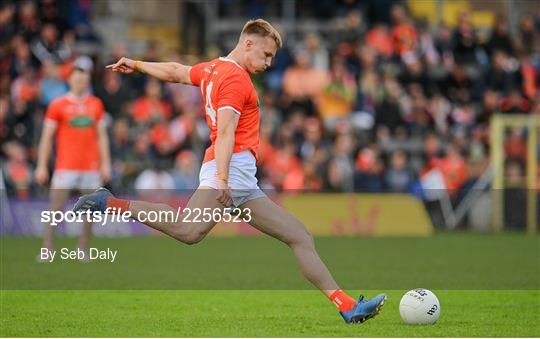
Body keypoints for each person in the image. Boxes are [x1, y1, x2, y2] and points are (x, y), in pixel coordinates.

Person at [73, 19, 385, 324]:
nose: (268, 62)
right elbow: (225, 133)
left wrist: (139, 65)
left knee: (299, 236)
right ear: (248, 43)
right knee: (187, 230)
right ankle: (108, 203)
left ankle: (346, 306)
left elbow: (176, 71)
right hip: (230, 171)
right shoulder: (236, 80)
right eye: (266, 54)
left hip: (241, 180)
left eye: (272, 58)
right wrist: (222, 178)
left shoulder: (212, 68)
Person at [35, 56, 111, 257]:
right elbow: (46, 138)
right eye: (77, 79)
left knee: (92, 210)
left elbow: (102, 137)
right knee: (56, 208)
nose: (80, 83)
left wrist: (106, 164)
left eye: (84, 80)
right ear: (70, 80)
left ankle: (83, 247)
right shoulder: (57, 105)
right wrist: (42, 165)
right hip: (65, 166)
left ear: (87, 82)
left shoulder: (96, 104)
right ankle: (47, 247)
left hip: (91, 166)